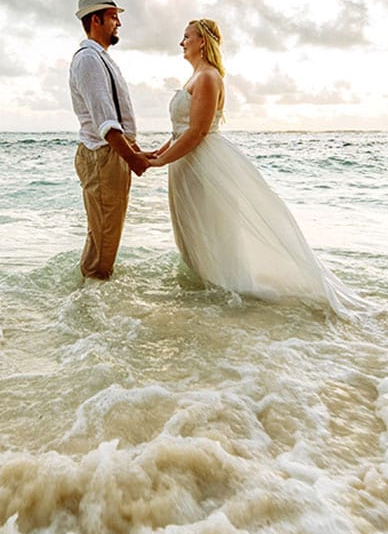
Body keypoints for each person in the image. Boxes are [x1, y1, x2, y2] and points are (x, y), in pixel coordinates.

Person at [145, 19, 362, 314]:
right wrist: (156, 153)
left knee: (209, 227)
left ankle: (227, 296)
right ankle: (202, 293)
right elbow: (180, 131)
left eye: (186, 37)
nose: (181, 43)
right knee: (193, 228)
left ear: (202, 42)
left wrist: (159, 162)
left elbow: (197, 132)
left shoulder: (208, 77)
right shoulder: (195, 77)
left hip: (203, 163)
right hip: (185, 164)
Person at [69, 0, 150, 279]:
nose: (119, 24)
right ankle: (90, 309)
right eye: (113, 17)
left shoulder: (100, 58)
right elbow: (106, 123)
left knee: (105, 236)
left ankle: (92, 305)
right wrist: (134, 159)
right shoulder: (89, 60)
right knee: (103, 240)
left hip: (112, 153)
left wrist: (135, 149)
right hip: (104, 155)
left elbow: (115, 115)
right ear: (96, 20)